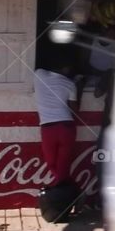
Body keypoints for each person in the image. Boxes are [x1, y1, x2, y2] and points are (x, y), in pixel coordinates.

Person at [34, 58, 79, 188]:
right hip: (67, 127)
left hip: (48, 128)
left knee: (51, 164)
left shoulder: (39, 74)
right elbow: (75, 111)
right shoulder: (70, 84)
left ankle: (64, 194)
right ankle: (68, 192)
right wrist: (78, 87)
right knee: (63, 166)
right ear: (66, 69)